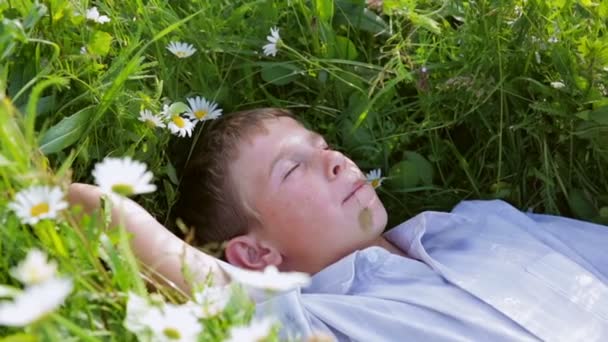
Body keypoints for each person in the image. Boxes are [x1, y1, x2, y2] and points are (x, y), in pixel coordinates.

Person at [68, 108, 608, 341]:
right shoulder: (318, 321)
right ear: (255, 256)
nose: (335, 160)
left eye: (321, 146)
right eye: (292, 167)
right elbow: (93, 208)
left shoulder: (481, 224)